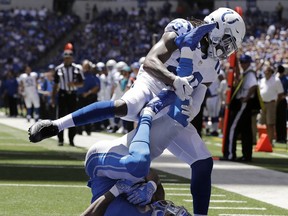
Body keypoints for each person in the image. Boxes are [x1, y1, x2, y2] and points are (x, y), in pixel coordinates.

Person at [28, 8, 245, 216]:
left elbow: (200, 93)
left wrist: (190, 111)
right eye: (227, 41)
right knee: (127, 106)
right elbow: (151, 61)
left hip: (173, 102)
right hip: (152, 82)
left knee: (203, 163)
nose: (227, 50)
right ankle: (57, 125)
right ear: (216, 27)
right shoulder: (183, 28)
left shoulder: (213, 65)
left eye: (231, 46)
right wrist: (173, 80)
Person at [222, 54, 258, 162]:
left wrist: (246, 97)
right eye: (241, 62)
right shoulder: (246, 73)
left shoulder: (250, 74)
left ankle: (230, 154)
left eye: (244, 62)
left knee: (233, 128)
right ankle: (246, 155)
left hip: (244, 103)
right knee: (245, 130)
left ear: (247, 63)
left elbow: (253, 86)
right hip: (244, 103)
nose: (242, 64)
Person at [52, 43, 84, 146]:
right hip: (62, 94)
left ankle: (71, 139)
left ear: (72, 58)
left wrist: (74, 84)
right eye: (66, 58)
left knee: (72, 117)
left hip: (72, 94)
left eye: (69, 58)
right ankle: (60, 139)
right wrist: (53, 97)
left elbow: (82, 83)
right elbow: (55, 84)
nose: (67, 59)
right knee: (60, 117)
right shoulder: (58, 69)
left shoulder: (77, 68)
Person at [259, 62, 284, 145]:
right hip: (263, 103)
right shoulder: (262, 80)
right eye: (265, 71)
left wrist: (276, 103)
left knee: (270, 123)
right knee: (264, 123)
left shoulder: (276, 80)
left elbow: (280, 94)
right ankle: (264, 140)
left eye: (267, 71)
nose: (266, 72)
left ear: (271, 72)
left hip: (271, 103)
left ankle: (270, 141)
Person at [76, 60, 100, 135]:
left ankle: (88, 130)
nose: (85, 68)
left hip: (88, 97)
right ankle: (79, 130)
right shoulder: (79, 75)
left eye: (87, 67)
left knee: (87, 113)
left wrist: (88, 93)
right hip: (79, 97)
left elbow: (97, 87)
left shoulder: (92, 76)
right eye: (84, 66)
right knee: (79, 113)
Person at [275, 65, 288, 143]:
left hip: (282, 100)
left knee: (282, 120)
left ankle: (282, 137)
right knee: (277, 120)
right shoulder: (278, 79)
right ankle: (278, 137)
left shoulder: (285, 80)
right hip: (277, 100)